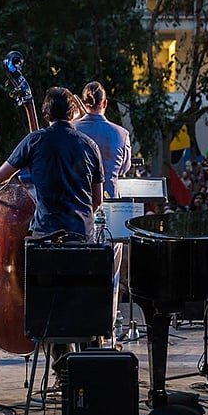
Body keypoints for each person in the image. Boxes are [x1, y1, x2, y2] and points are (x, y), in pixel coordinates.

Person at [0, 86, 104, 239]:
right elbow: (97, 200)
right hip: (81, 234)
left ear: (46, 114)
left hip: (46, 233)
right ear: (71, 113)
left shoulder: (34, 141)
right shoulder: (90, 145)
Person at [73, 81, 131, 335]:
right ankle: (107, 328)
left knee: (79, 267)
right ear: (104, 103)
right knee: (112, 271)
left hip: (80, 204)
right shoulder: (121, 133)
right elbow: (125, 168)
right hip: (111, 206)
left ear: (85, 103)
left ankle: (81, 325)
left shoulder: (72, 129)